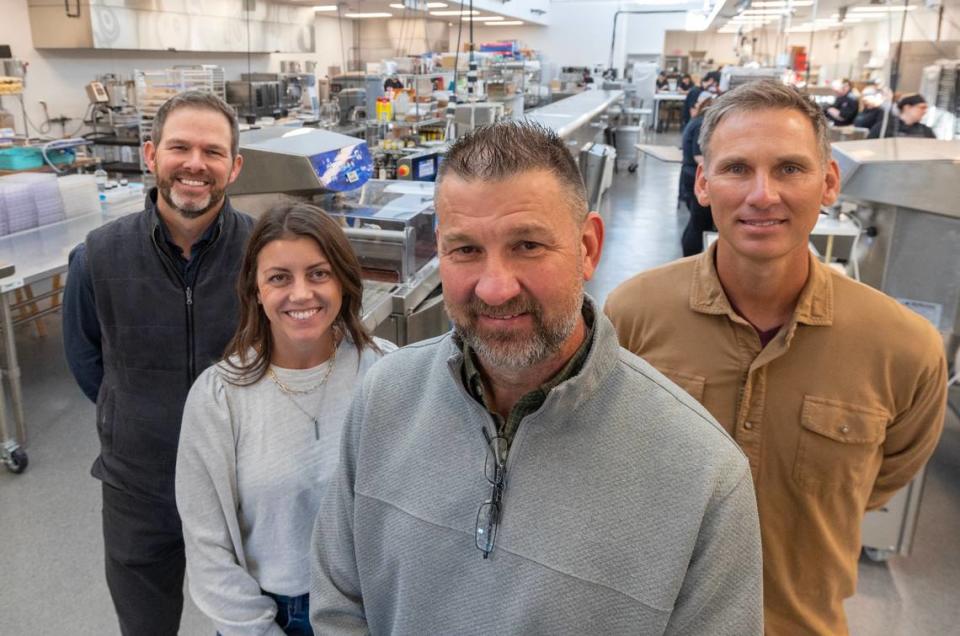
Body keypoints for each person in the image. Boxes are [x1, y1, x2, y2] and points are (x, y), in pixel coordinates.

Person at [309, 120, 763, 635]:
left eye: (527, 245)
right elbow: (339, 602)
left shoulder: (703, 473)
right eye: (466, 250)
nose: (496, 287)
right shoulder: (383, 399)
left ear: (588, 247)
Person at [605, 80, 947, 635]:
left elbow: (882, 478)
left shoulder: (903, 347)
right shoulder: (634, 314)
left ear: (829, 182)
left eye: (790, 169)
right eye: (738, 168)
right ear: (703, 183)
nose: (762, 194)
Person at [62, 91, 253, 636]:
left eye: (213, 152)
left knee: (254, 623)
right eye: (180, 147)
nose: (196, 164)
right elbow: (86, 359)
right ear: (151, 155)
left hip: (243, 480)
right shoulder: (97, 256)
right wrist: (134, 413)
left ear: (234, 166)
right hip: (139, 487)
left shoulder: (264, 252)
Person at [176, 203, 395, 636]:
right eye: (279, 277)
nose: (300, 294)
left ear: (343, 281)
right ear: (255, 290)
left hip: (375, 607)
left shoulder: (388, 373)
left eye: (318, 273)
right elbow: (208, 549)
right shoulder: (219, 397)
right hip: (271, 615)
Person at [679, 92, 714, 256]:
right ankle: (691, 259)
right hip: (695, 176)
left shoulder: (697, 120)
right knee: (699, 224)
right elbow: (698, 156)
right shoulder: (702, 124)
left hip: (690, 175)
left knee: (695, 222)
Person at [869, 93, 937, 139]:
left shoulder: (927, 131)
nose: (925, 111)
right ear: (907, 107)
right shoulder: (884, 127)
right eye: (922, 108)